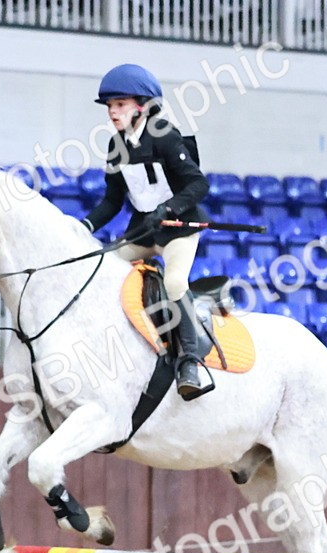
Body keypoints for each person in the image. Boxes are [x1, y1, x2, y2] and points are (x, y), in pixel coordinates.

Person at [81, 64, 211, 398]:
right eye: (110, 106)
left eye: (120, 105)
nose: (112, 112)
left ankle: (190, 362)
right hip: (142, 230)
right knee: (100, 272)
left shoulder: (165, 136)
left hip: (177, 228)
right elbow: (111, 201)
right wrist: (85, 226)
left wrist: (167, 210)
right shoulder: (115, 146)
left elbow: (198, 184)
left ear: (143, 106)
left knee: (175, 282)